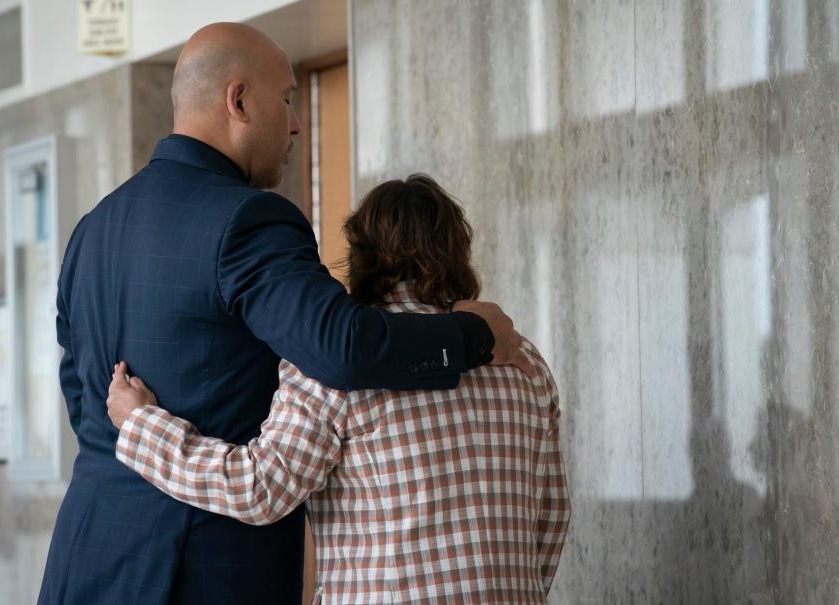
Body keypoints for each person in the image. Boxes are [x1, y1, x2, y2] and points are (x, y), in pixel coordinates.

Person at [38, 22, 529, 605]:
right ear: (238, 100)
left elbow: (81, 390)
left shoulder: (92, 228)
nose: (296, 122)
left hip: (85, 556)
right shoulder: (248, 219)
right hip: (202, 571)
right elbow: (341, 346)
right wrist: (474, 335)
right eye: (289, 99)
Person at [106, 174, 572, 605]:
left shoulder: (330, 372)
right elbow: (552, 515)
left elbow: (259, 489)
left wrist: (142, 427)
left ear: (364, 255)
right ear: (457, 250)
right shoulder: (522, 361)